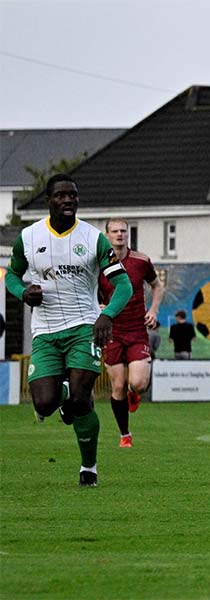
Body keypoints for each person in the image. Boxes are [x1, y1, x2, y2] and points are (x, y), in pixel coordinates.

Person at [5, 174, 132, 487]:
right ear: (49, 200)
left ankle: (89, 468)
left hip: (84, 327)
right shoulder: (30, 237)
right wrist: (23, 293)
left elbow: (123, 285)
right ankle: (59, 397)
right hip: (45, 331)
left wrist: (107, 316)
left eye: (73, 196)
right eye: (61, 196)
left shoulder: (92, 238)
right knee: (43, 404)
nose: (68, 201)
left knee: (81, 398)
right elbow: (12, 276)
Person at [98, 218, 164, 448]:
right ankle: (125, 434)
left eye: (123, 231)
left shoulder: (141, 261)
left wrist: (154, 310)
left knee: (138, 383)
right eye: (114, 231)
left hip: (137, 329)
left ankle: (134, 392)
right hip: (111, 331)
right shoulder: (99, 264)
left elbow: (157, 286)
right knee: (117, 385)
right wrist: (98, 309)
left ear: (128, 234)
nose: (119, 235)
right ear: (106, 235)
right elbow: (89, 293)